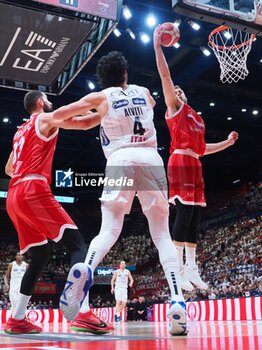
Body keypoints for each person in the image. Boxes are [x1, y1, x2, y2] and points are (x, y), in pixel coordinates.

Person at [59, 51, 187, 336]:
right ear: (126, 74)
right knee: (162, 235)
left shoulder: (102, 98)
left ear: (103, 79)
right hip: (151, 159)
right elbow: (159, 100)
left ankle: (88, 269)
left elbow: (71, 116)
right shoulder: (143, 92)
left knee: (110, 229)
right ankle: (177, 298)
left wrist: (50, 120)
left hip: (119, 159)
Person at [4, 90, 112, 335]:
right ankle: (82, 313)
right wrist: (105, 110)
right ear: (41, 102)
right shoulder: (43, 119)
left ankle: (18, 318)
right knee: (77, 246)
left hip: (14, 194)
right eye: (47, 99)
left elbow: (9, 168)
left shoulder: (19, 131)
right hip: (33, 189)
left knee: (41, 254)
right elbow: (83, 122)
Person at [153, 25, 239, 291]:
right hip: (179, 161)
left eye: (180, 91)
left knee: (195, 218)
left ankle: (191, 267)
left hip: (194, 162)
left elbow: (203, 150)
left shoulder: (196, 118)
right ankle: (177, 267)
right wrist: (157, 47)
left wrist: (227, 142)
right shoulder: (175, 109)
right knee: (184, 212)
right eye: (174, 92)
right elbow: (166, 76)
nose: (176, 92)